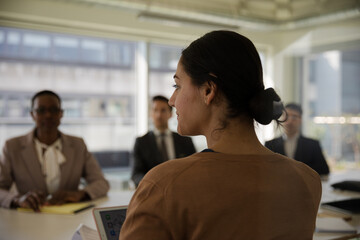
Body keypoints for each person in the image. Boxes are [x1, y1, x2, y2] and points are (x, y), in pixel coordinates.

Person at [120, 31, 321, 239]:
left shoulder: (164, 185)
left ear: (208, 90)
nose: (172, 100)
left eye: (177, 86)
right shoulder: (307, 180)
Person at [0, 90, 109, 211]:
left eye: (53, 110)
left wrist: (80, 194)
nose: (48, 115)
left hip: (69, 220)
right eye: (41, 110)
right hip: (28, 217)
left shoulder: (78, 145)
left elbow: (101, 183)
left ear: (61, 113)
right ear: (32, 114)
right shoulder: (12, 147)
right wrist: (17, 199)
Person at [131, 95, 196, 187]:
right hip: (153, 192)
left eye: (163, 110)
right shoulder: (141, 142)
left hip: (181, 190)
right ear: (151, 113)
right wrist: (151, 184)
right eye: (155, 110)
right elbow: (136, 175)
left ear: (170, 114)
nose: (159, 115)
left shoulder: (185, 141)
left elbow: (194, 169)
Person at [265, 103, 330, 176]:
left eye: (294, 117)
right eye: (286, 116)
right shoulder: (269, 145)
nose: (289, 121)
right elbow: (265, 170)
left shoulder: (313, 144)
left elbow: (324, 170)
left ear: (301, 120)